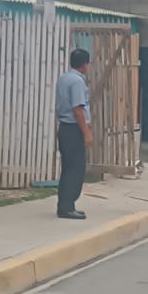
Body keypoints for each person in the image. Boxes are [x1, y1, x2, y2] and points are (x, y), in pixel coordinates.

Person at [55, 48, 93, 220]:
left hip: (64, 127)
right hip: (73, 128)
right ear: (85, 64)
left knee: (68, 168)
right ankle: (67, 207)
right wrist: (86, 133)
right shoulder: (77, 81)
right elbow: (78, 110)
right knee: (75, 170)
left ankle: (65, 205)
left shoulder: (64, 78)